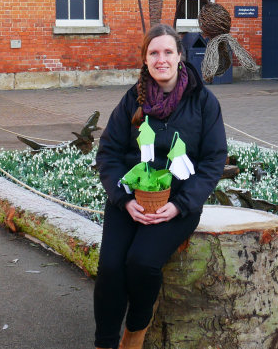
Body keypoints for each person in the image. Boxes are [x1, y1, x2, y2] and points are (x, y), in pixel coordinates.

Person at [93, 23, 228, 349]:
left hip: (178, 203)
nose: (161, 59)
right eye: (154, 53)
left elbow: (213, 160)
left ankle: (135, 333)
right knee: (111, 267)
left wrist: (181, 205)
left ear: (180, 56)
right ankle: (105, 343)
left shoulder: (203, 102)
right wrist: (124, 199)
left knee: (140, 262)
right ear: (145, 59)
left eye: (168, 51)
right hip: (130, 199)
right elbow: (108, 153)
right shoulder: (132, 101)